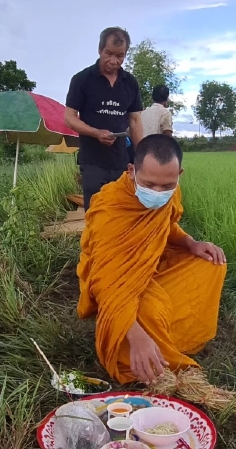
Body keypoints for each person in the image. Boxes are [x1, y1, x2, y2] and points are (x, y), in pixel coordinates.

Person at [77, 134, 227, 385]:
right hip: (117, 284)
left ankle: (165, 341)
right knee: (147, 308)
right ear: (132, 170)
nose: (158, 193)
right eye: (149, 184)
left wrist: (192, 243)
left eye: (167, 186)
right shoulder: (111, 207)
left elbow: (167, 227)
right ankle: (137, 348)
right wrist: (136, 337)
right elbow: (104, 283)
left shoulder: (171, 192)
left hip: (148, 270)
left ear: (179, 174)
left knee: (211, 263)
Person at [65, 27, 144, 209]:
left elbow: (135, 121)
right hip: (92, 162)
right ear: (100, 49)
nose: (113, 61)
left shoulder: (130, 83)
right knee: (95, 213)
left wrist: (142, 155)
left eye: (120, 56)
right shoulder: (82, 80)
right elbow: (69, 118)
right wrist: (96, 133)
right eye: (109, 54)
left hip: (121, 162)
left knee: (120, 213)